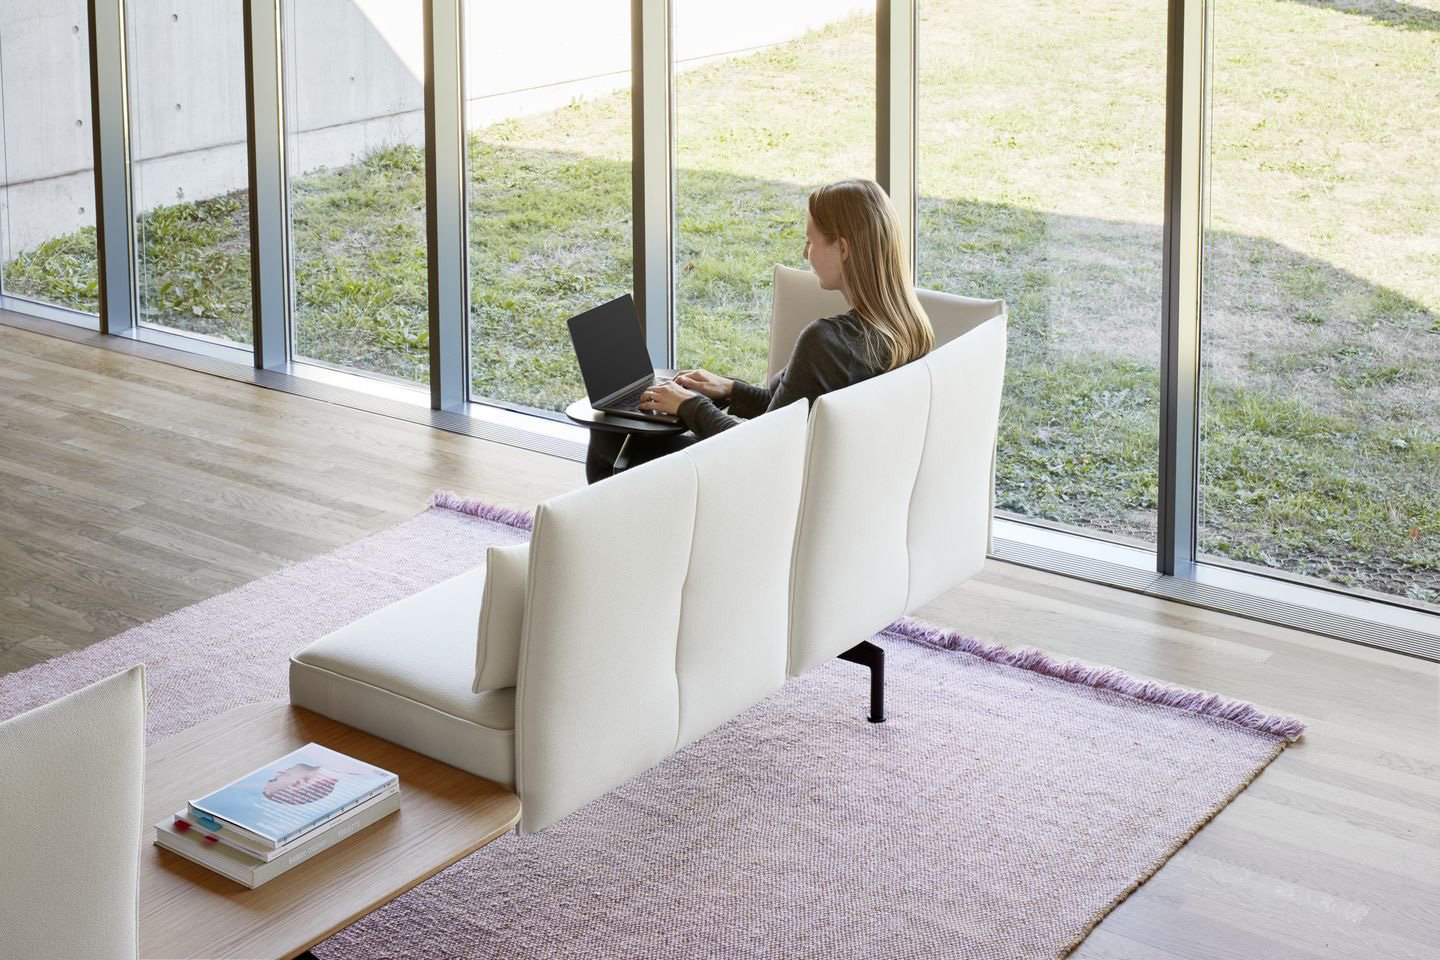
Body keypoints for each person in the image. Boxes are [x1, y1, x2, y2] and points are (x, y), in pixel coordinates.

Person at [585, 178, 933, 482]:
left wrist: (691, 406)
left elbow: (761, 448)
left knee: (609, 438)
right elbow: (791, 413)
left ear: (842, 248)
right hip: (819, 485)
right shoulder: (907, 329)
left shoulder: (827, 341)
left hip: (763, 495)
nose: (805, 252)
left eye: (811, 241)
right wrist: (731, 390)